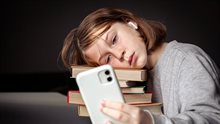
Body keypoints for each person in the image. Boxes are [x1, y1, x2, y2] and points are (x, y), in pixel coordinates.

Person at [60, 8, 220, 124]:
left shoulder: (186, 58)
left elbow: (213, 118)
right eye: (107, 58)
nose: (119, 54)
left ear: (130, 23)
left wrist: (151, 122)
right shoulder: (137, 82)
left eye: (114, 39)